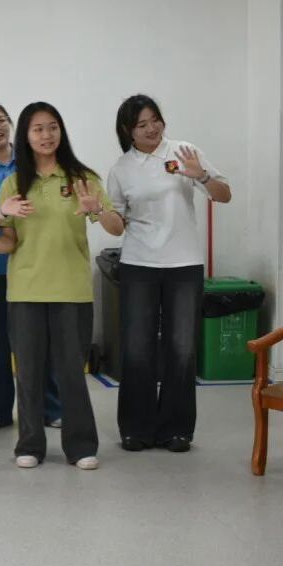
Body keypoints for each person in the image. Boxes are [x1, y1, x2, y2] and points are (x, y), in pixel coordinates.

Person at [0, 101, 123, 470]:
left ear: (61, 131)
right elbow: (9, 241)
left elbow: (116, 227)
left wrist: (96, 208)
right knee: (29, 373)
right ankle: (30, 444)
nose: (46, 135)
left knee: (71, 373)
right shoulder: (14, 183)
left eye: (52, 127)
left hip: (71, 290)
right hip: (25, 291)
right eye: (38, 129)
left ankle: (81, 446)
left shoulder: (82, 177)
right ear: (26, 135)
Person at [108, 94, 231, 453]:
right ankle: (136, 428)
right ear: (128, 131)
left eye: (155, 120)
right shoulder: (121, 168)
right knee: (137, 347)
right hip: (139, 264)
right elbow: (116, 221)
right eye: (141, 124)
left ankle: (177, 429)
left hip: (184, 264)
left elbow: (224, 194)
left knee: (181, 347)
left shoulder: (184, 151)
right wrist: (97, 211)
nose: (151, 129)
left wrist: (201, 175)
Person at [0, 102, 61, 431]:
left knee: (39, 340)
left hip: (33, 263)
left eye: (1, 120)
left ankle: (50, 408)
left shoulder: (32, 161)